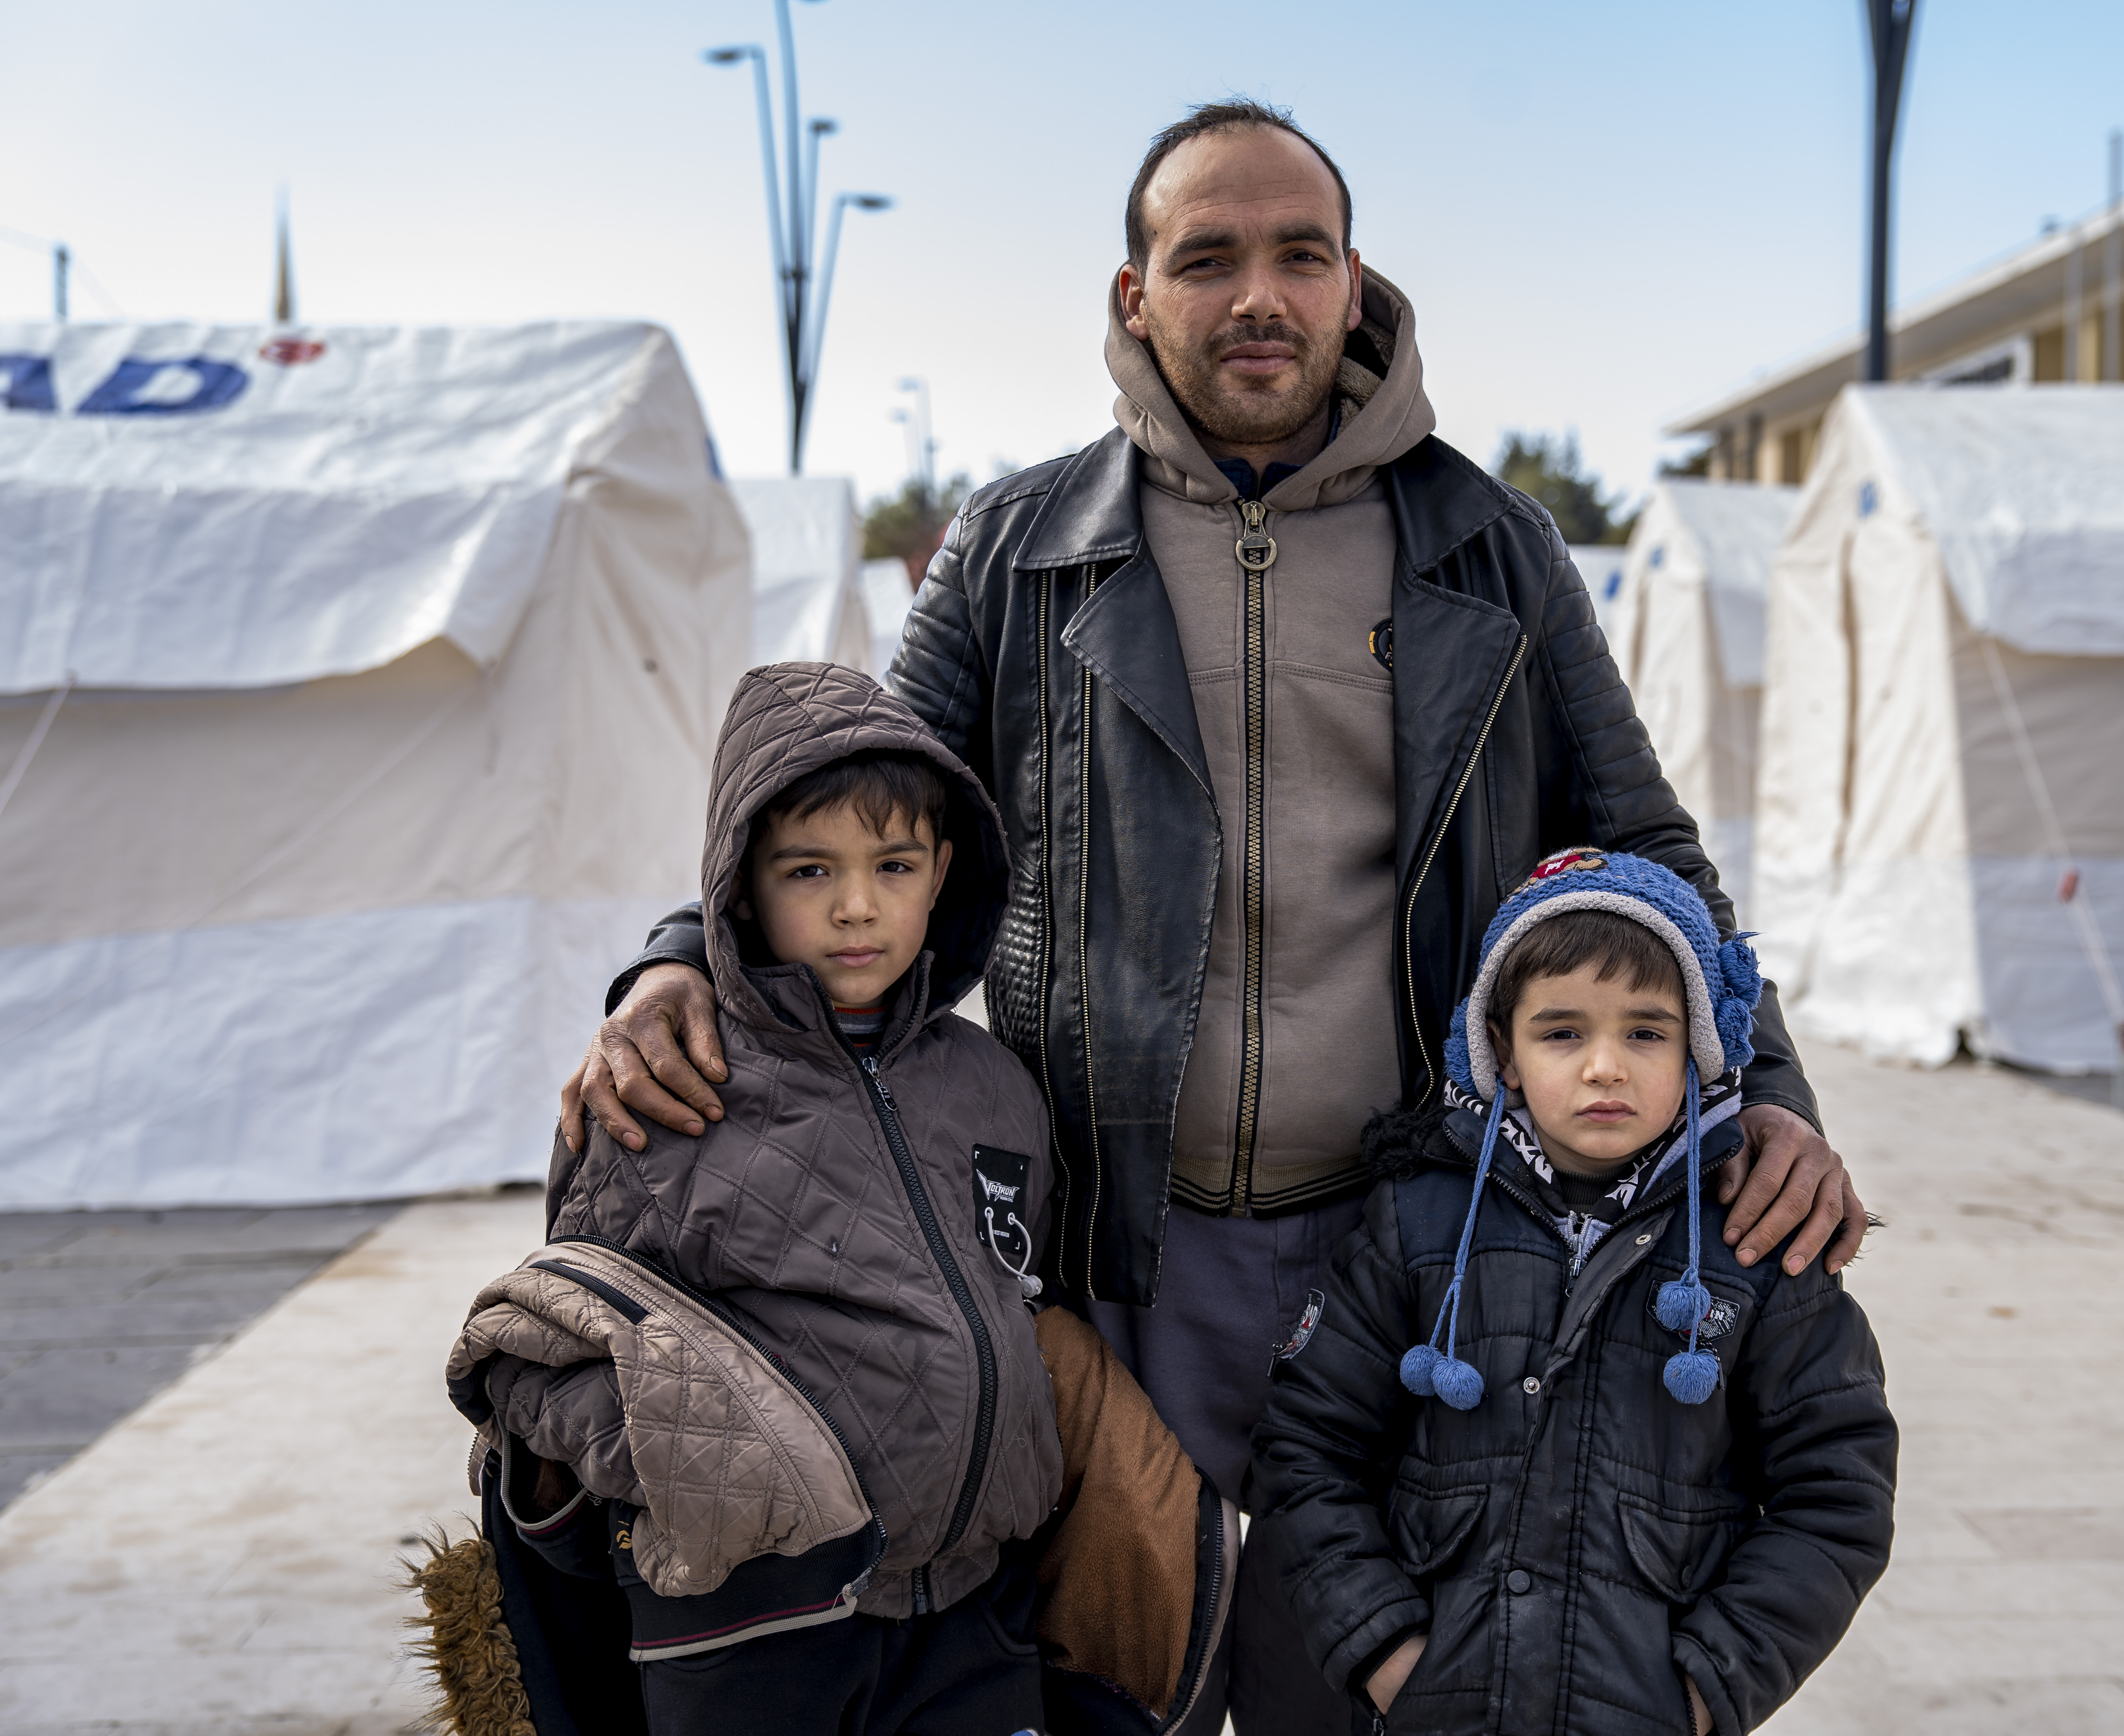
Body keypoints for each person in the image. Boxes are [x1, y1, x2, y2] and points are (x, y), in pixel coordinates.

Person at [560, 101, 1872, 1733]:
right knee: (1127, 1691)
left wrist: (1770, 1095)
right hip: (1114, 1253)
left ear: (1350, 285)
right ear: (1135, 296)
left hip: (1416, 1245)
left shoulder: (1493, 548)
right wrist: (677, 962)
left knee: (1354, 1688)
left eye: (1297, 256)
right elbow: (857, 798)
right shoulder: (1020, 548)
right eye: (1207, 259)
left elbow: (1647, 846)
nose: (1258, 295)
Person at [481, 663, 1068, 1734]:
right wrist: (699, 1475)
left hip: (971, 1611)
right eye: (809, 870)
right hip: (745, 1631)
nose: (857, 905)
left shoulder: (994, 1087)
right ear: (740, 885)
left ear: (943, 871)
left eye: (894, 865)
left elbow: (1019, 1293)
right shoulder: (664, 1092)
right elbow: (551, 1344)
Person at [1250, 848, 1897, 1736]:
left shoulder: (1754, 1242)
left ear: (1698, 1046)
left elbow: (1835, 1494)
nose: (1604, 1067)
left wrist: (1704, 1688)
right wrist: (1386, 1653)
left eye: (1645, 1033)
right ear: (1502, 1051)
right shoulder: (1415, 1224)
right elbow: (1306, 1448)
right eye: (1561, 1032)